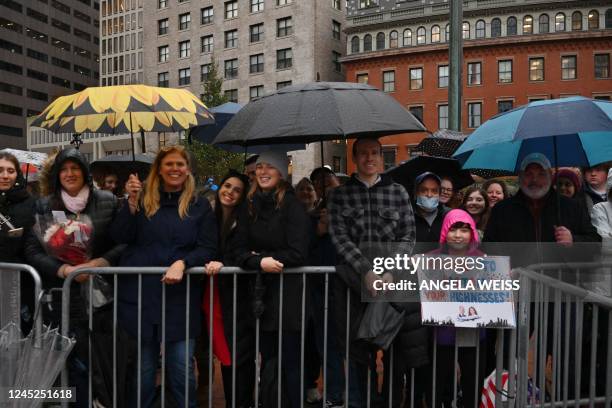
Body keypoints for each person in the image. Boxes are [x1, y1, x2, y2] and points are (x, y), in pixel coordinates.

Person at [110, 146, 217, 408]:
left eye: (180, 164)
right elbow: (120, 237)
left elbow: (208, 247)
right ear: (158, 168)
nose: (175, 169)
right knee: (144, 372)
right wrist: (131, 205)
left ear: (188, 168)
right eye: (168, 164)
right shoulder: (144, 200)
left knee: (181, 370)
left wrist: (183, 262)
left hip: (180, 300)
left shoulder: (199, 205)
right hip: (142, 298)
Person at [328, 137, 428, 408]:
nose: (369, 158)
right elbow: (339, 237)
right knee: (358, 354)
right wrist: (366, 272)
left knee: (394, 352)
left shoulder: (398, 192)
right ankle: (366, 402)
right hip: (351, 286)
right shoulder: (339, 194)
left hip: (392, 284)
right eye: (363, 153)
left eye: (374, 153)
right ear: (354, 157)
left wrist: (389, 271)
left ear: (381, 157)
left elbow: (407, 235)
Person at [24, 147, 123, 407]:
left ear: (85, 172)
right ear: (57, 174)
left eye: (75, 168)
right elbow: (32, 250)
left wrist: (98, 263)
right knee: (65, 364)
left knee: (98, 363)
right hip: (60, 297)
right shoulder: (45, 204)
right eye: (64, 169)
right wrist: (64, 269)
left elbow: (123, 242)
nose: (69, 174)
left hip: (99, 299)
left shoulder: (107, 200)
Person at [232, 150, 310, 408]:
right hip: (259, 296)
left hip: (288, 299)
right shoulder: (249, 205)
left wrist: (263, 257)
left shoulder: (292, 205)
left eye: (270, 167)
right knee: (267, 361)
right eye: (259, 167)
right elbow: (238, 249)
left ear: (281, 172)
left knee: (289, 363)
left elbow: (298, 252)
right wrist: (259, 262)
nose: (263, 172)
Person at [484, 152, 600, 266]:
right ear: (520, 177)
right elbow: (489, 247)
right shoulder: (502, 210)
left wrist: (573, 240)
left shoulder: (572, 207)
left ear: (550, 176)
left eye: (541, 174)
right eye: (529, 174)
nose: (534, 180)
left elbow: (595, 243)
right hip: (516, 280)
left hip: (560, 282)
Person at [203, 170, 254, 408]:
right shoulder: (208, 216)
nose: (230, 192)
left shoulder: (245, 220)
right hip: (211, 293)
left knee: (236, 355)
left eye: (236, 190)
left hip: (237, 297)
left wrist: (224, 264)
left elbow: (243, 253)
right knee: (224, 353)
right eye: (227, 186)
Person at [428, 209, 486, 408]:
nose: (459, 235)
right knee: (437, 380)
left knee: (472, 380)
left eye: (464, 230)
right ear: (445, 231)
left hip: (473, 332)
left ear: (472, 233)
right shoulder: (431, 259)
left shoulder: (485, 259)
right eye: (453, 229)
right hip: (441, 332)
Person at [302, 167, 345, 407]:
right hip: (319, 288)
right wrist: (319, 230)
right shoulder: (313, 216)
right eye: (319, 182)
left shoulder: (349, 211)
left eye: (329, 181)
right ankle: (333, 393)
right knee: (323, 342)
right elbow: (303, 250)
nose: (325, 186)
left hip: (346, 284)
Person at [0, 151, 36, 332]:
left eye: (10, 171)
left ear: (17, 174)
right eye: (0, 170)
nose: (5, 175)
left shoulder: (30, 202)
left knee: (18, 334)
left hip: (20, 284)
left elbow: (35, 243)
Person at [413, 172, 450, 253]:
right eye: (423, 190)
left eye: (434, 191)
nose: (429, 195)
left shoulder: (448, 216)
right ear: (416, 193)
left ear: (439, 194)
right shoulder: (408, 217)